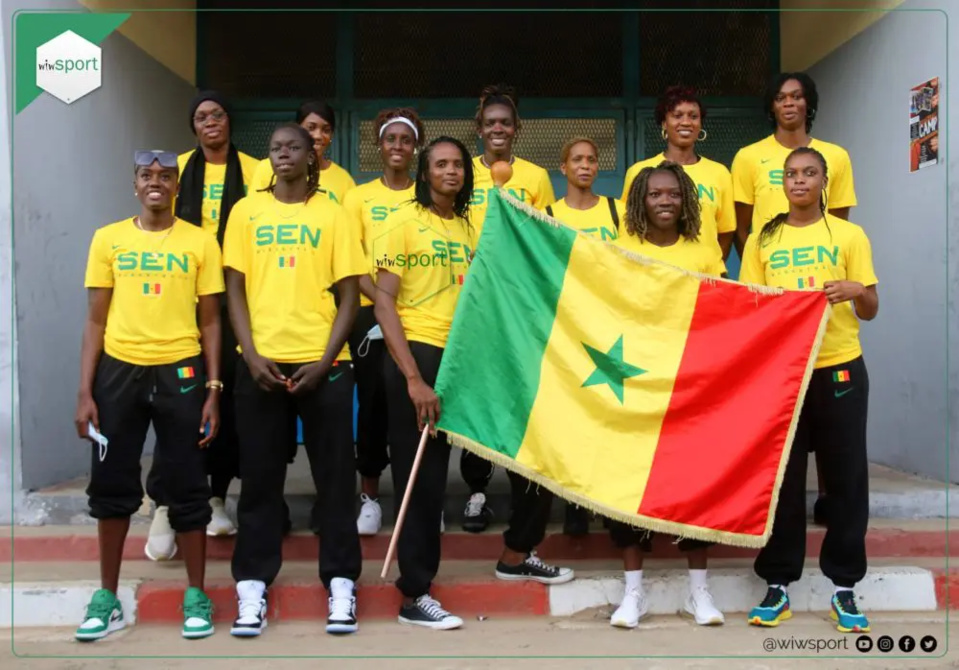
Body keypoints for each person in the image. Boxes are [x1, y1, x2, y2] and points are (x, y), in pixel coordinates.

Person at [223, 123, 366, 637]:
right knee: (260, 480)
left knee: (334, 479)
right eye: (277, 147)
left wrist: (327, 360)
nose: (284, 154)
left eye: (295, 148)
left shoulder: (334, 213)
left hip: (324, 365)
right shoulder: (246, 211)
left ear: (313, 155)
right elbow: (233, 287)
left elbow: (351, 294)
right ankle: (252, 588)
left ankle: (342, 585)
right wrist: (250, 353)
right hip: (261, 365)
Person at [74, 150, 223, 640]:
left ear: (177, 187)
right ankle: (107, 597)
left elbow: (211, 321)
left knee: (187, 482)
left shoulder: (201, 242)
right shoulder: (108, 239)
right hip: (118, 371)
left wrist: (213, 388)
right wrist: (85, 393)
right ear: (134, 185)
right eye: (146, 176)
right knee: (111, 483)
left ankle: (196, 594)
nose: (155, 182)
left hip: (181, 369)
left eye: (165, 176)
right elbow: (95, 319)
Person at [740, 147, 878, 633]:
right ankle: (777, 584)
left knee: (844, 480)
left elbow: (871, 308)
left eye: (809, 174)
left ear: (825, 181)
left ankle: (845, 587)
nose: (799, 181)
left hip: (839, 368)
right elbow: (752, 308)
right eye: (791, 174)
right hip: (784, 373)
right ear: (782, 182)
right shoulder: (764, 237)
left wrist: (856, 290)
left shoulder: (849, 234)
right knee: (783, 481)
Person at [731, 72, 858, 525]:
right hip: (773, 295)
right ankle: (773, 503)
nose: (789, 104)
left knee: (829, 409)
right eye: (781, 97)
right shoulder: (748, 157)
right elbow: (742, 227)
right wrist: (766, 276)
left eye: (797, 97)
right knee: (778, 407)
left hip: (822, 306)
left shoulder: (837, 156)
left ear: (809, 104)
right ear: (771, 106)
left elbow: (837, 225)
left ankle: (826, 496)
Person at [608, 161, 727, 629]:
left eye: (673, 194)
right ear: (640, 199)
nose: (664, 201)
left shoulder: (702, 247)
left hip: (691, 380)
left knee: (693, 485)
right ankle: (632, 594)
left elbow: (722, 302)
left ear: (686, 200)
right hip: (635, 378)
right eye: (655, 194)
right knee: (628, 487)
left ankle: (699, 593)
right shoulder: (622, 246)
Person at [144, 91, 258, 561]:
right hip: (179, 297)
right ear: (192, 127)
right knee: (177, 404)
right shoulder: (176, 167)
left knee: (226, 402)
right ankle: (164, 503)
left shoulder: (255, 170)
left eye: (217, 114)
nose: (210, 122)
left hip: (234, 298)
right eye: (201, 117)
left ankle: (215, 495)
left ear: (229, 122)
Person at [373, 136, 475, 629]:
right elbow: (383, 302)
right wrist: (413, 377)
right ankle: (414, 593)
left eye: (457, 164)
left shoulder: (471, 226)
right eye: (441, 164)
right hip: (419, 356)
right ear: (425, 172)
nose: (450, 172)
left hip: (461, 359)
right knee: (422, 478)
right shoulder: (402, 223)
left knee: (435, 477)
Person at [462, 83, 556, 532]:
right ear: (478, 129)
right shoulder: (462, 171)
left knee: (519, 394)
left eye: (505, 122)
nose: (497, 128)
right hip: (473, 297)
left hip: (518, 301)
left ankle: (525, 496)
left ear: (516, 129)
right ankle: (477, 490)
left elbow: (545, 235)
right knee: (476, 392)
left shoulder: (536, 177)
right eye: (490, 123)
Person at [342, 108, 425, 536]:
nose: (397, 146)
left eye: (405, 140)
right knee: (373, 404)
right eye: (390, 139)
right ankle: (370, 496)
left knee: (416, 406)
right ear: (379, 145)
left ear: (415, 148)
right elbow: (353, 264)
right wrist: (384, 302)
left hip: (424, 317)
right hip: (372, 312)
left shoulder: (426, 196)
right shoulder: (358, 198)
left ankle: (420, 496)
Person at [545, 136, 626, 536]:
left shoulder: (618, 211)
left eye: (592, 159)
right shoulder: (544, 214)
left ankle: (610, 503)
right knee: (573, 418)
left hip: (611, 329)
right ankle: (575, 501)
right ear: (563, 168)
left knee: (609, 415)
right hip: (567, 329)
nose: (585, 165)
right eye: (576, 159)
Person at [622, 86, 736, 259]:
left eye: (693, 116)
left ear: (700, 124)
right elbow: (629, 225)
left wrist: (712, 268)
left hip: (703, 275)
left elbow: (726, 231)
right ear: (664, 123)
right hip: (654, 271)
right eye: (677, 116)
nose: (686, 122)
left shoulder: (719, 173)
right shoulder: (639, 172)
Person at [250, 100, 356, 204]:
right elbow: (253, 211)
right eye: (311, 128)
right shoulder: (267, 168)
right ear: (297, 131)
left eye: (326, 130)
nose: (318, 136)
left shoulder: (344, 179)